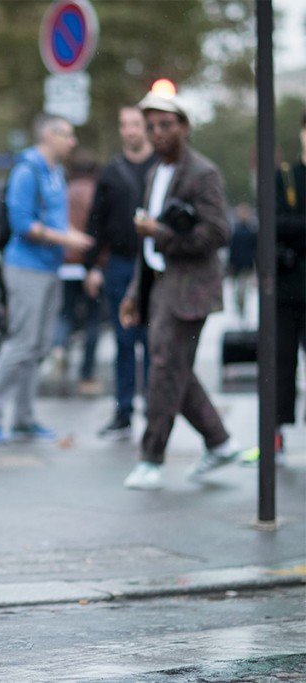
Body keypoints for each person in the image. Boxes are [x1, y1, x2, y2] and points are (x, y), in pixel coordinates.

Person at [119, 89, 240, 490]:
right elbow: (147, 245)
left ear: (184, 126)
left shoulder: (202, 173)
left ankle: (151, 457)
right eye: (151, 126)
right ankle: (219, 441)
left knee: (163, 369)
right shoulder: (155, 173)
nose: (157, 133)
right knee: (175, 369)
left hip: (190, 290)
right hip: (159, 286)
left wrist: (163, 232)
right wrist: (136, 292)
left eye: (166, 124)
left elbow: (217, 233)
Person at [0, 113, 93, 444]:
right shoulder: (28, 171)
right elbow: (23, 224)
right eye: (67, 135)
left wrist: (75, 237)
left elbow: (56, 222)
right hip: (26, 268)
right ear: (48, 135)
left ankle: (23, 417)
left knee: (39, 346)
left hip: (49, 268)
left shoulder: (56, 172)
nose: (72, 141)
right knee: (21, 343)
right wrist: (68, 240)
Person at [83, 106, 156, 441]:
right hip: (121, 265)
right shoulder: (111, 172)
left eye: (135, 124)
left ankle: (156, 411)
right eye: (124, 124)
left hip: (157, 266)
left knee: (154, 342)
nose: (129, 130)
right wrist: (92, 266)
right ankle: (123, 411)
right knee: (124, 341)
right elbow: (96, 222)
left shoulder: (162, 167)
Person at [246, 109, 305, 465]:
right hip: (285, 290)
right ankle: (275, 437)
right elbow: (271, 224)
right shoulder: (285, 178)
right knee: (279, 366)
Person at [51, 150, 102, 396]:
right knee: (92, 320)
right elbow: (99, 229)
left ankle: (60, 347)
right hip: (89, 264)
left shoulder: (63, 191)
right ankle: (86, 373)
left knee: (66, 314)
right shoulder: (96, 192)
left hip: (64, 262)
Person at [227, 202, 257, 320]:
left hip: (245, 266)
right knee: (238, 291)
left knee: (242, 290)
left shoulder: (250, 231)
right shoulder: (237, 231)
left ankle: (242, 311)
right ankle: (240, 311)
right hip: (239, 265)